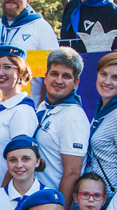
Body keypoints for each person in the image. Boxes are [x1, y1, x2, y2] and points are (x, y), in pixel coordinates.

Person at [34, 49, 90, 197]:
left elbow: (72, 173)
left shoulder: (73, 117)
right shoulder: (44, 107)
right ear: (45, 77)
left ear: (76, 82)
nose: (58, 81)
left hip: (53, 205)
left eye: (66, 76)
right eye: (54, 74)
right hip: (38, 201)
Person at [0, 45, 39, 188]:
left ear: (20, 72)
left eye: (7, 67)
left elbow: (20, 163)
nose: (0, 73)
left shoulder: (22, 111)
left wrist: (2, 193)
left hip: (4, 194)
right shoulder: (0, 107)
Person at [84, 52, 117, 195]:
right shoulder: (103, 108)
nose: (107, 82)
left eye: (115, 78)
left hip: (112, 198)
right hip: (96, 196)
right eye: (103, 74)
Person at [0, 0, 58, 92]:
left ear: (28, 0)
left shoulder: (40, 27)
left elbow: (53, 71)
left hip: (29, 106)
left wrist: (41, 106)